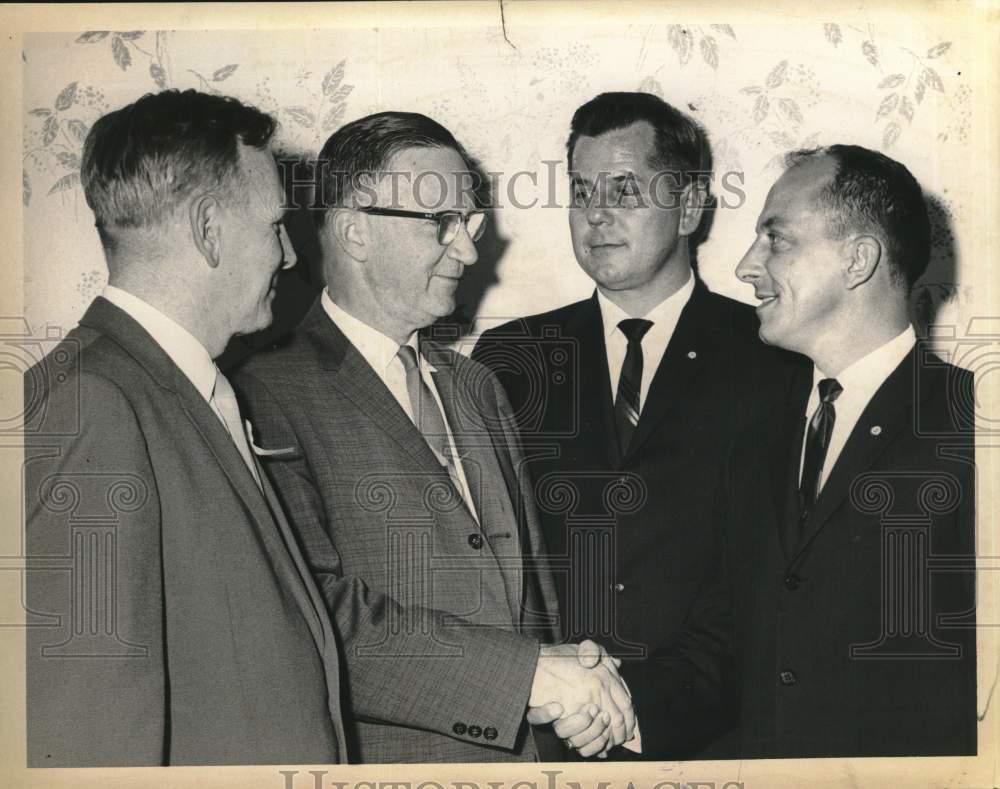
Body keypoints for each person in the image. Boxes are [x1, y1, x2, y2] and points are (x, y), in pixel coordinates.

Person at [232, 111, 634, 763]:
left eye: (470, 223)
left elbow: (535, 599)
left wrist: (569, 701)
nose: (470, 251)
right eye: (442, 223)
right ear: (354, 229)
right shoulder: (259, 393)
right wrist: (530, 674)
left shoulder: (476, 385)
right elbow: (313, 618)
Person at [472, 91, 803, 759]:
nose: (596, 214)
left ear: (688, 206)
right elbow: (488, 564)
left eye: (624, 190)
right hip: (541, 741)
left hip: (713, 741)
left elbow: (774, 578)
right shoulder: (511, 357)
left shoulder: (775, 358)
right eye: (583, 190)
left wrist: (641, 708)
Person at [24, 89, 349, 766]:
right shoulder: (92, 404)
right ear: (208, 230)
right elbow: (91, 736)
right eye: (273, 226)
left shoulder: (168, 385)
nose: (289, 255)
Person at [726, 144, 976, 757]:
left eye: (775, 238)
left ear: (858, 260)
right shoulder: (751, 431)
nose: (744, 266)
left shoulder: (975, 426)